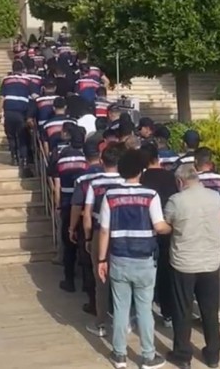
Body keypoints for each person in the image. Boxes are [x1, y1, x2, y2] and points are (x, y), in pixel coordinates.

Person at [97, 149, 172, 369]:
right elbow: (159, 226)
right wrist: (173, 227)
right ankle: (148, 356)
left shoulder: (110, 196)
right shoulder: (151, 195)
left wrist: (101, 260)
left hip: (119, 258)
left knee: (120, 309)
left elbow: (104, 231)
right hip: (144, 260)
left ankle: (119, 355)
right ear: (140, 171)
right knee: (144, 309)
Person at [164, 164, 220, 369]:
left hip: (184, 263)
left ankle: (183, 355)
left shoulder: (176, 200)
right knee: (210, 310)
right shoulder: (216, 197)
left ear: (180, 181)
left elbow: (167, 224)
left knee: (183, 310)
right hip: (210, 262)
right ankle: (213, 354)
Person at [83, 143, 127, 337]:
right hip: (122, 235)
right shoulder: (126, 182)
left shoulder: (95, 183)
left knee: (101, 280)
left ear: (102, 161)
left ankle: (100, 323)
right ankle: (123, 321)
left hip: (99, 233)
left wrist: (87, 237)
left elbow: (87, 213)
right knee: (121, 280)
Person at [139, 143, 179, 328]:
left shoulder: (141, 179)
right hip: (167, 228)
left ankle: (144, 312)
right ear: (157, 158)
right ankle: (168, 313)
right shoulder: (171, 176)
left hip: (146, 230)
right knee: (166, 272)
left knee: (145, 274)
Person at [49, 128, 89, 293]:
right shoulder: (87, 159)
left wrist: (58, 204)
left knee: (69, 246)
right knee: (85, 245)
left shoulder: (61, 158)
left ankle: (69, 280)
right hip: (85, 206)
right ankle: (87, 284)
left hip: (67, 204)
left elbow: (57, 185)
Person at [195, 147, 220, 326]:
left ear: (196, 162)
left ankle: (205, 312)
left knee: (200, 271)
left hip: (198, 230)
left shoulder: (194, 181)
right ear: (211, 162)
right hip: (218, 229)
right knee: (219, 270)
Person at [69, 139, 104, 316]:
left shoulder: (82, 179)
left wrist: (71, 227)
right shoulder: (111, 174)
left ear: (85, 157)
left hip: (88, 225)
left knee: (89, 265)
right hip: (109, 226)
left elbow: (76, 206)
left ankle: (94, 304)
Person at [0, 63, 31, 167]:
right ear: (22, 70)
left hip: (9, 111)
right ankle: (24, 160)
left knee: (11, 136)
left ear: (12, 69)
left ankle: (14, 158)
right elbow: (31, 97)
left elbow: (1, 97)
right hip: (22, 113)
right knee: (22, 136)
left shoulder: (6, 80)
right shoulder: (27, 80)